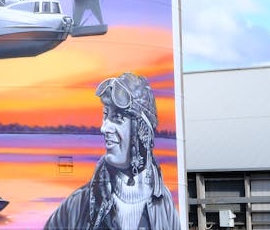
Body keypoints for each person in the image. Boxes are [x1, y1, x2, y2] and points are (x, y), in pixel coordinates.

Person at [45, 72, 182, 229]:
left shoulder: (164, 205)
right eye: (105, 115)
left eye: (117, 118)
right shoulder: (76, 206)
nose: (104, 128)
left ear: (142, 131)